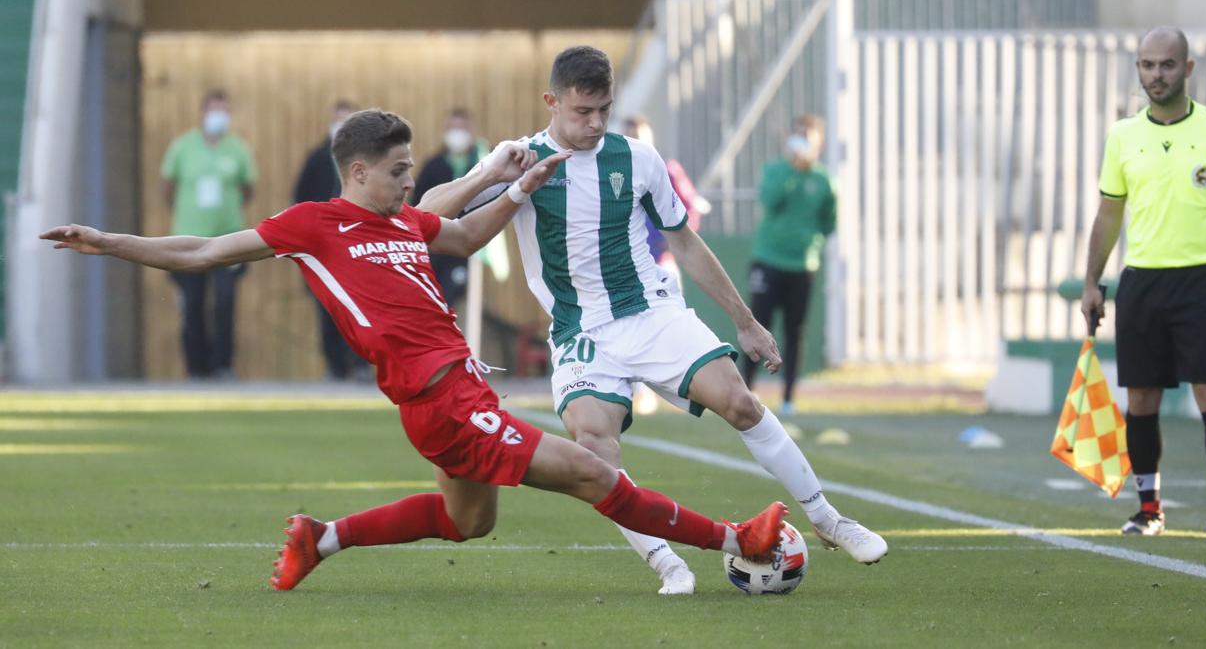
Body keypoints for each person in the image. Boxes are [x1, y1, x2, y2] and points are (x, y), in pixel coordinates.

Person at [41, 108, 788, 592]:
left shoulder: (406, 224)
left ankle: (321, 539)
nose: (412, 179)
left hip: (455, 395)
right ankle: (737, 540)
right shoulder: (316, 225)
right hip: (440, 397)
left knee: (472, 524)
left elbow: (461, 232)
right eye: (399, 171)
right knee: (593, 470)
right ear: (358, 171)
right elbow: (205, 249)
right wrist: (110, 243)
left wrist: (517, 189)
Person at [418, 46, 887, 596]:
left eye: (604, 111)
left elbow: (684, 243)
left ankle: (828, 519)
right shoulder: (520, 158)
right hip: (580, 331)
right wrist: (490, 174)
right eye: (581, 112)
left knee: (739, 401)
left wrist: (745, 321)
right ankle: (667, 563)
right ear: (551, 102)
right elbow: (428, 210)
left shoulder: (638, 158)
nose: (594, 124)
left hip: (651, 312)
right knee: (593, 446)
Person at [1082, 26, 1206, 543]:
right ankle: (1148, 508)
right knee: (1141, 402)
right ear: (1138, 70)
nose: (1156, 74)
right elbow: (1109, 215)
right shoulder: (1123, 136)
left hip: (1201, 281)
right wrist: (1092, 281)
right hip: (1141, 285)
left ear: (1188, 69)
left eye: (1167, 64)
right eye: (1148, 65)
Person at [740, 115, 837, 417]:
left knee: (795, 330)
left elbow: (829, 221)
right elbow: (770, 199)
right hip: (768, 260)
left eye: (808, 137)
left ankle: (789, 398)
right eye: (798, 135)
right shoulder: (776, 170)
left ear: (819, 144)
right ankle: (746, 391)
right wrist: (794, 171)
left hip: (801, 266)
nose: (802, 142)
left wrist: (811, 244)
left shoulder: (823, 181)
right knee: (758, 324)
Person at [159, 89, 258, 379]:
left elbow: (248, 188)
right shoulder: (182, 147)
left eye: (224, 111)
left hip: (228, 237)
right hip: (188, 237)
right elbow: (167, 187)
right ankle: (196, 366)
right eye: (214, 110)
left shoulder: (238, 149)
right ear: (202, 113)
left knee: (225, 301)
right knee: (192, 304)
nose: (219, 117)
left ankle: (222, 364)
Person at [620, 114, 711, 416]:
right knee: (628, 327)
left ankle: (683, 386)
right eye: (630, 133)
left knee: (672, 324)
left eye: (640, 133)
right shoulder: (612, 169)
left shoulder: (666, 169)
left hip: (661, 264)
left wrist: (670, 239)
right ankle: (638, 392)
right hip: (624, 265)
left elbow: (691, 208)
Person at [292, 99, 369, 381]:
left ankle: (360, 364)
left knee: (358, 308)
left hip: (357, 244)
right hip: (323, 246)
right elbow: (300, 196)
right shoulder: (316, 159)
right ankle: (335, 367)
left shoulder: (367, 161)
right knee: (327, 308)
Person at [408, 108, 492, 309]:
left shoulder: (482, 164)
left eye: (462, 128)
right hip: (434, 246)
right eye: (452, 128)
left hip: (467, 247)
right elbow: (416, 204)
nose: (457, 134)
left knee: (455, 298)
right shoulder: (433, 166)